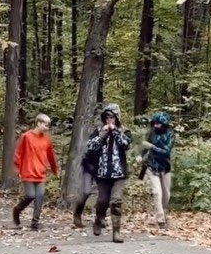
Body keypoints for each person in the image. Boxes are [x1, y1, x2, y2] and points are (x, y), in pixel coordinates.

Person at [85, 101, 131, 243]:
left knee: (116, 201)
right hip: (102, 173)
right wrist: (102, 135)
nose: (109, 120)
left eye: (112, 117)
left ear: (117, 118)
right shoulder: (98, 131)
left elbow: (126, 144)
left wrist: (115, 131)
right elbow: (90, 146)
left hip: (119, 173)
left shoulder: (124, 131)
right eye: (107, 117)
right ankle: (99, 219)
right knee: (102, 201)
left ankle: (116, 232)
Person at [12, 114, 59, 231]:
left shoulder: (46, 139)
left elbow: (51, 155)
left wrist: (54, 169)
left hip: (40, 172)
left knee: (40, 197)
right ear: (38, 123)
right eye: (45, 125)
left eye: (48, 125)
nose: (47, 128)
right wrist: (18, 169)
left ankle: (35, 223)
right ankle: (17, 210)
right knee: (30, 195)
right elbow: (18, 153)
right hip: (28, 171)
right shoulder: (26, 137)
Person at [141, 110, 173, 228]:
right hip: (151, 166)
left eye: (158, 124)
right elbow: (144, 146)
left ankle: (162, 211)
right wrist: (141, 155)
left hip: (165, 167)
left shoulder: (170, 135)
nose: (156, 126)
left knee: (166, 195)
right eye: (154, 123)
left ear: (164, 124)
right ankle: (161, 219)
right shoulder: (151, 133)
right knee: (157, 192)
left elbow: (166, 152)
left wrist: (153, 147)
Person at [72, 117, 100, 229]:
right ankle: (77, 214)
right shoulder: (97, 132)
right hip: (90, 165)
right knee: (86, 191)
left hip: (103, 168)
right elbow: (90, 145)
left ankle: (100, 218)